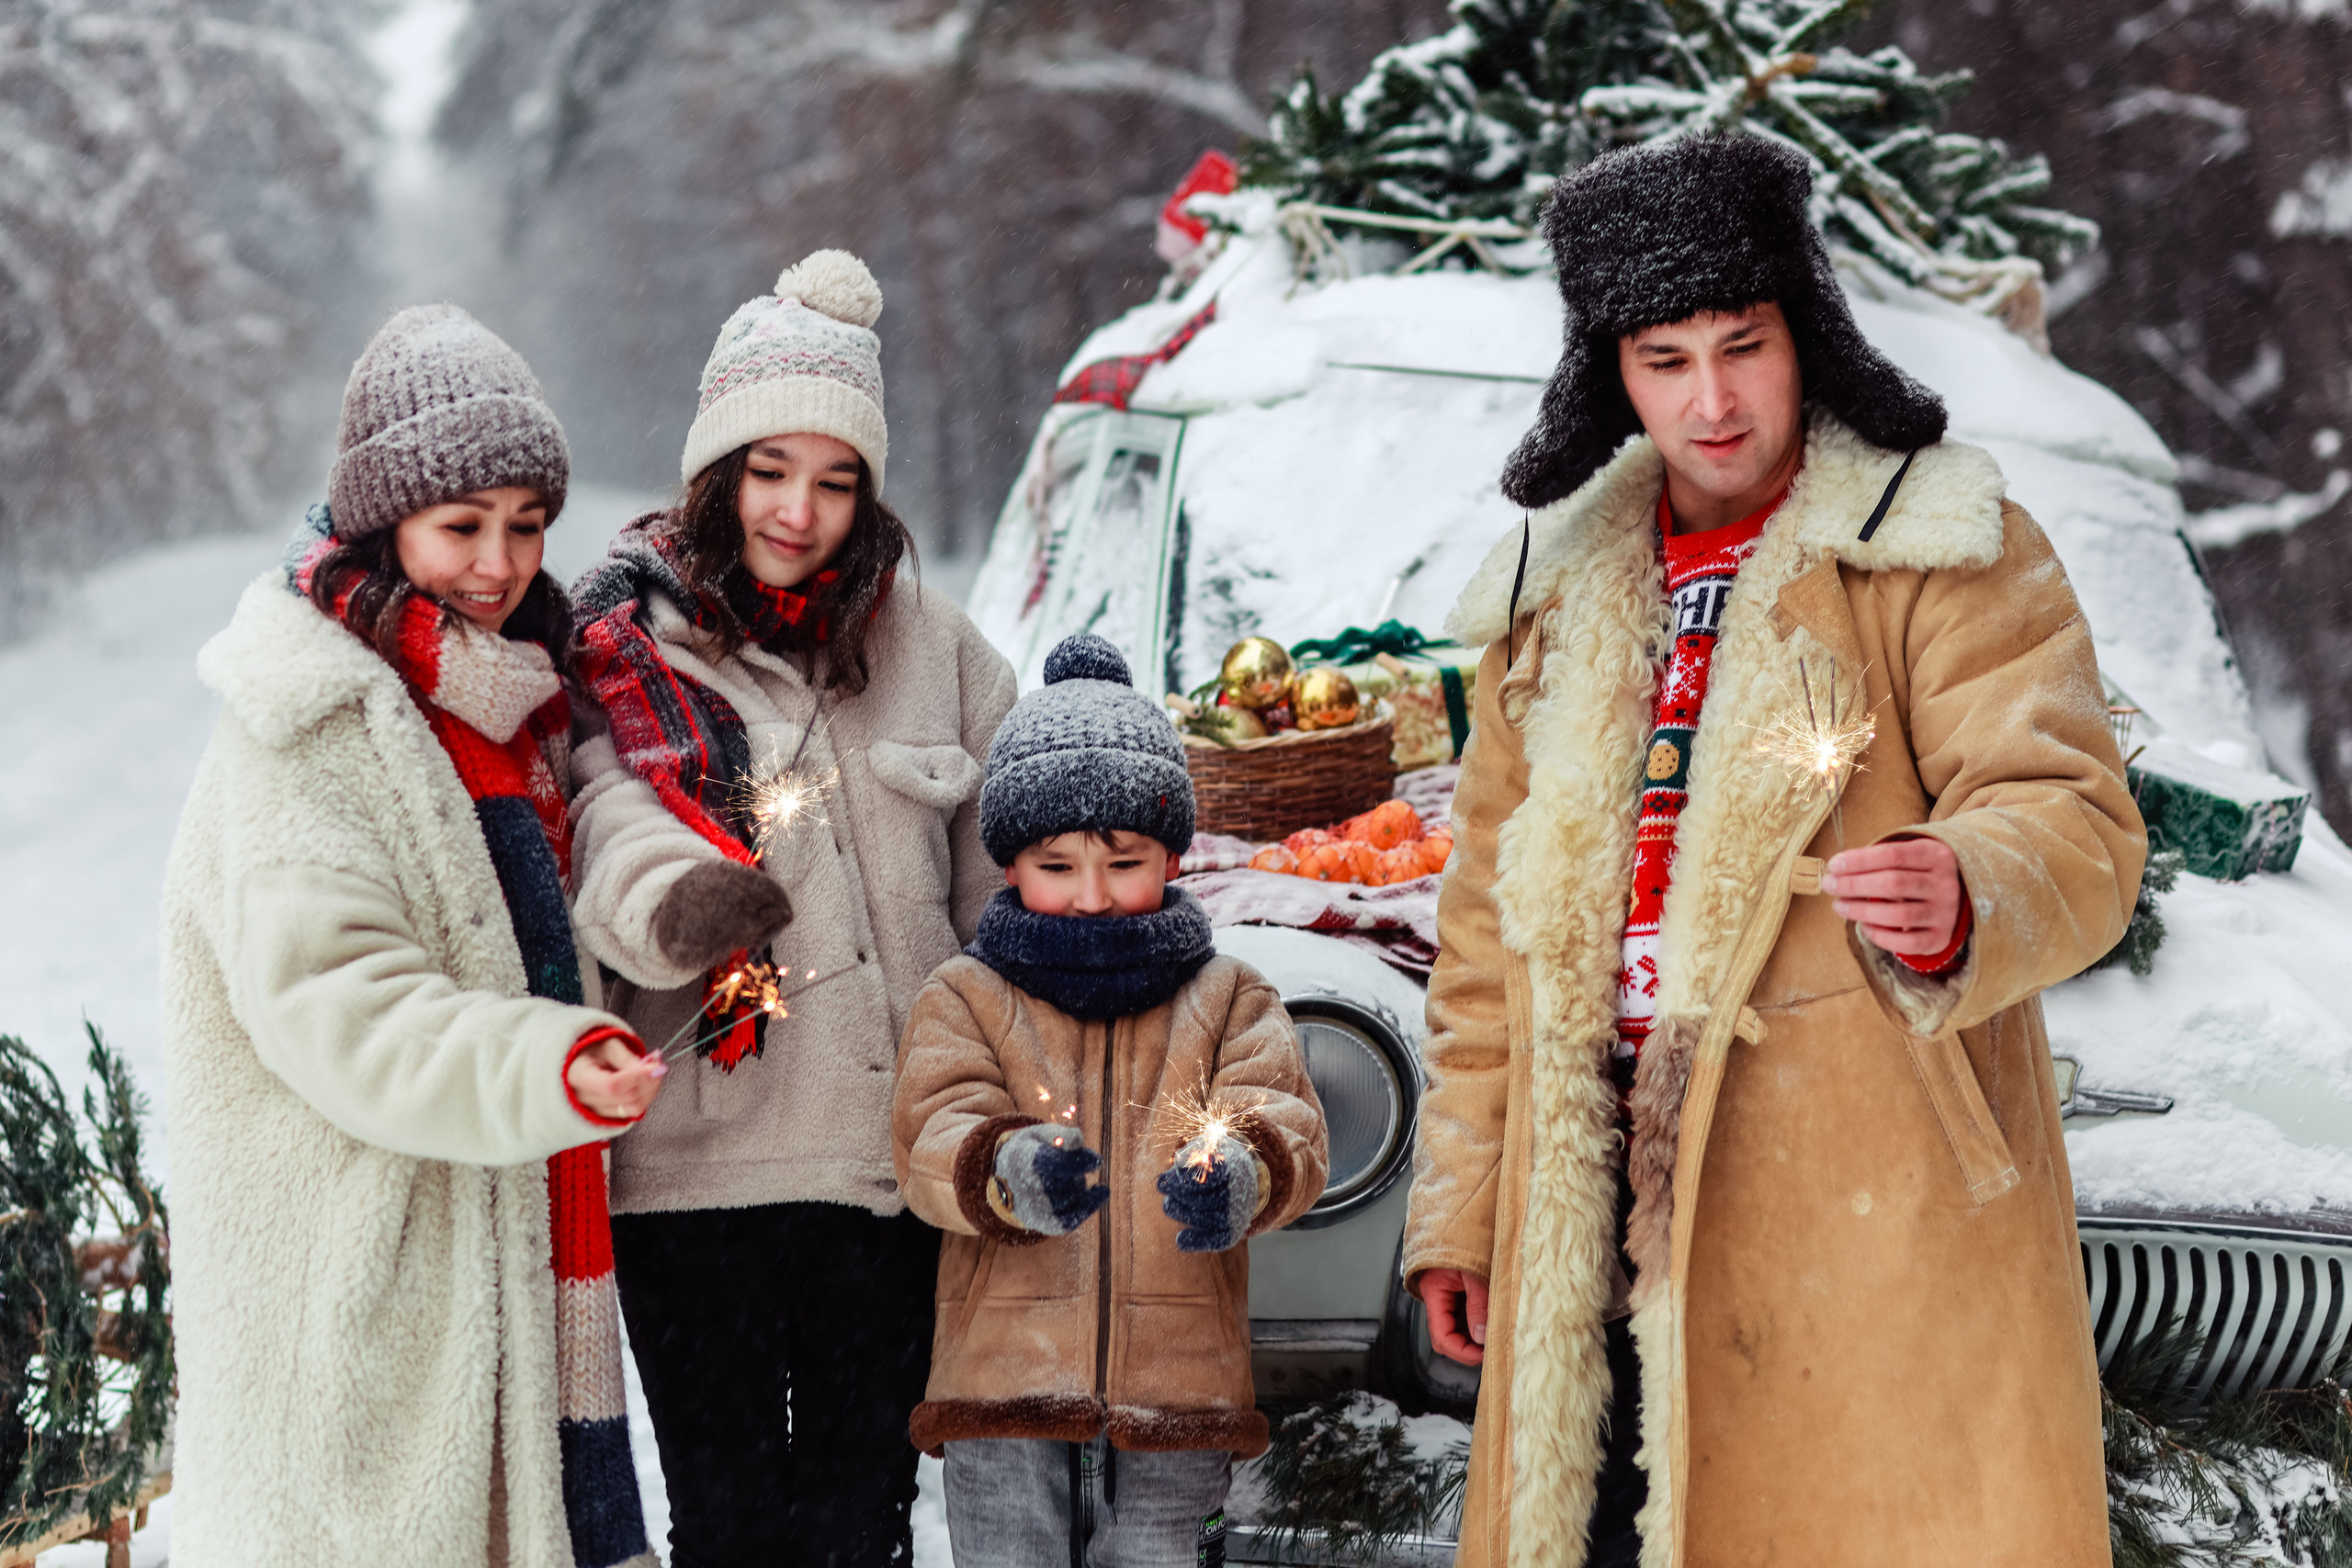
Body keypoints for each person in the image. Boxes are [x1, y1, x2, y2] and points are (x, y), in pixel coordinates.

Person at [1405, 136, 2146, 1567]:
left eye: (1744, 346)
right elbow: (1488, 947)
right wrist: (1465, 1206)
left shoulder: (1946, 547)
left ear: (1807, 333)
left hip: (1867, 1199)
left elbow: (2074, 813)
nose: (1714, 399)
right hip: (1590, 1189)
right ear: (1608, 376)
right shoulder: (1547, 601)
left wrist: (1969, 883)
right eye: (1665, 359)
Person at [161, 304, 664, 1568]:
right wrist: (542, 1065)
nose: (499, 563)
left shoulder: (518, 699)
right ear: (385, 522)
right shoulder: (313, 723)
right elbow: (341, 1005)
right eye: (462, 527)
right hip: (362, 1292)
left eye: (527, 524)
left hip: (500, 1239)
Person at [566, 249, 1018, 1567]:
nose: (798, 510)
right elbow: (598, 862)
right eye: (769, 471)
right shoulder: (621, 654)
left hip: (886, 1174)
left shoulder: (935, 646)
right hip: (696, 1180)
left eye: (836, 480)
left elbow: (1009, 884)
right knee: (729, 1529)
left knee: (860, 1521)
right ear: (716, 470)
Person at [891, 632, 1329, 1568]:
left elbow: (1283, 1115)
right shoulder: (966, 997)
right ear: (1009, 866)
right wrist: (1005, 1169)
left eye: (1122, 861)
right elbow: (933, 1131)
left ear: (1172, 855)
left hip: (1181, 1393)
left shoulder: (1226, 997)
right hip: (1003, 1388)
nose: (1092, 895)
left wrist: (1241, 1170)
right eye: (1057, 866)